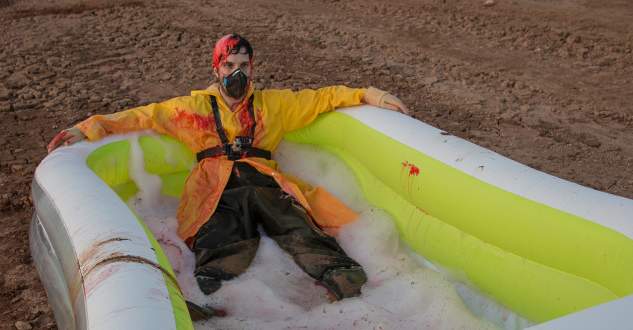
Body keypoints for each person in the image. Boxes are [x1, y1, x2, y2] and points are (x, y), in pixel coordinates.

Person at [49, 34, 408, 313]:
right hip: (215, 187)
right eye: (229, 65)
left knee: (296, 224)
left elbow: (322, 97)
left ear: (253, 67)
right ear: (216, 68)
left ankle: (349, 282)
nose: (237, 73)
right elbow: (145, 115)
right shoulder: (193, 108)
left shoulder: (273, 105)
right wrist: (89, 127)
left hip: (264, 181)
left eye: (244, 65)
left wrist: (369, 95)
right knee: (219, 240)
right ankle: (214, 302)